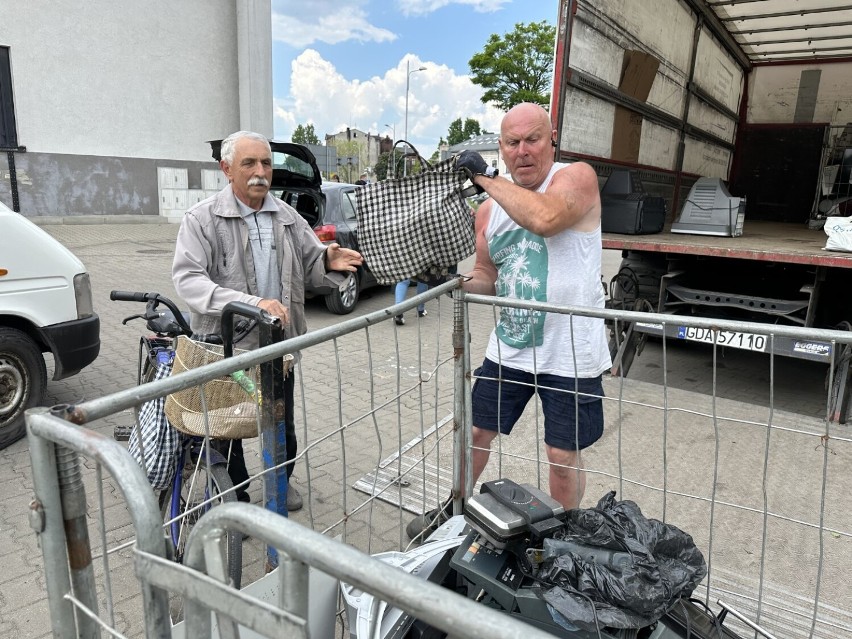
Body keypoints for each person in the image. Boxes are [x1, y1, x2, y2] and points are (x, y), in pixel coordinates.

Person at [406, 102, 611, 540]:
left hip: (570, 353)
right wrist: (454, 283)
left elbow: (546, 218)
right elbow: (488, 277)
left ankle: (567, 537)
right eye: (512, 142)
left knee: (561, 452)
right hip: (512, 345)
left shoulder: (575, 179)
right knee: (477, 429)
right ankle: (455, 508)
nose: (522, 151)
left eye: (532, 139)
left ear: (551, 139)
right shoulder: (488, 211)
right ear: (501, 146)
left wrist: (484, 177)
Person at [173, 130, 363, 512]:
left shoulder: (286, 216)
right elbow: (189, 281)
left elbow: (310, 263)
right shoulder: (201, 219)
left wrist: (327, 259)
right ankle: (236, 495)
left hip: (279, 346)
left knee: (282, 423)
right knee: (228, 428)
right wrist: (250, 303)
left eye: (265, 163)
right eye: (249, 163)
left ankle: (280, 480)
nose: (261, 171)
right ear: (227, 169)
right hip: (226, 347)